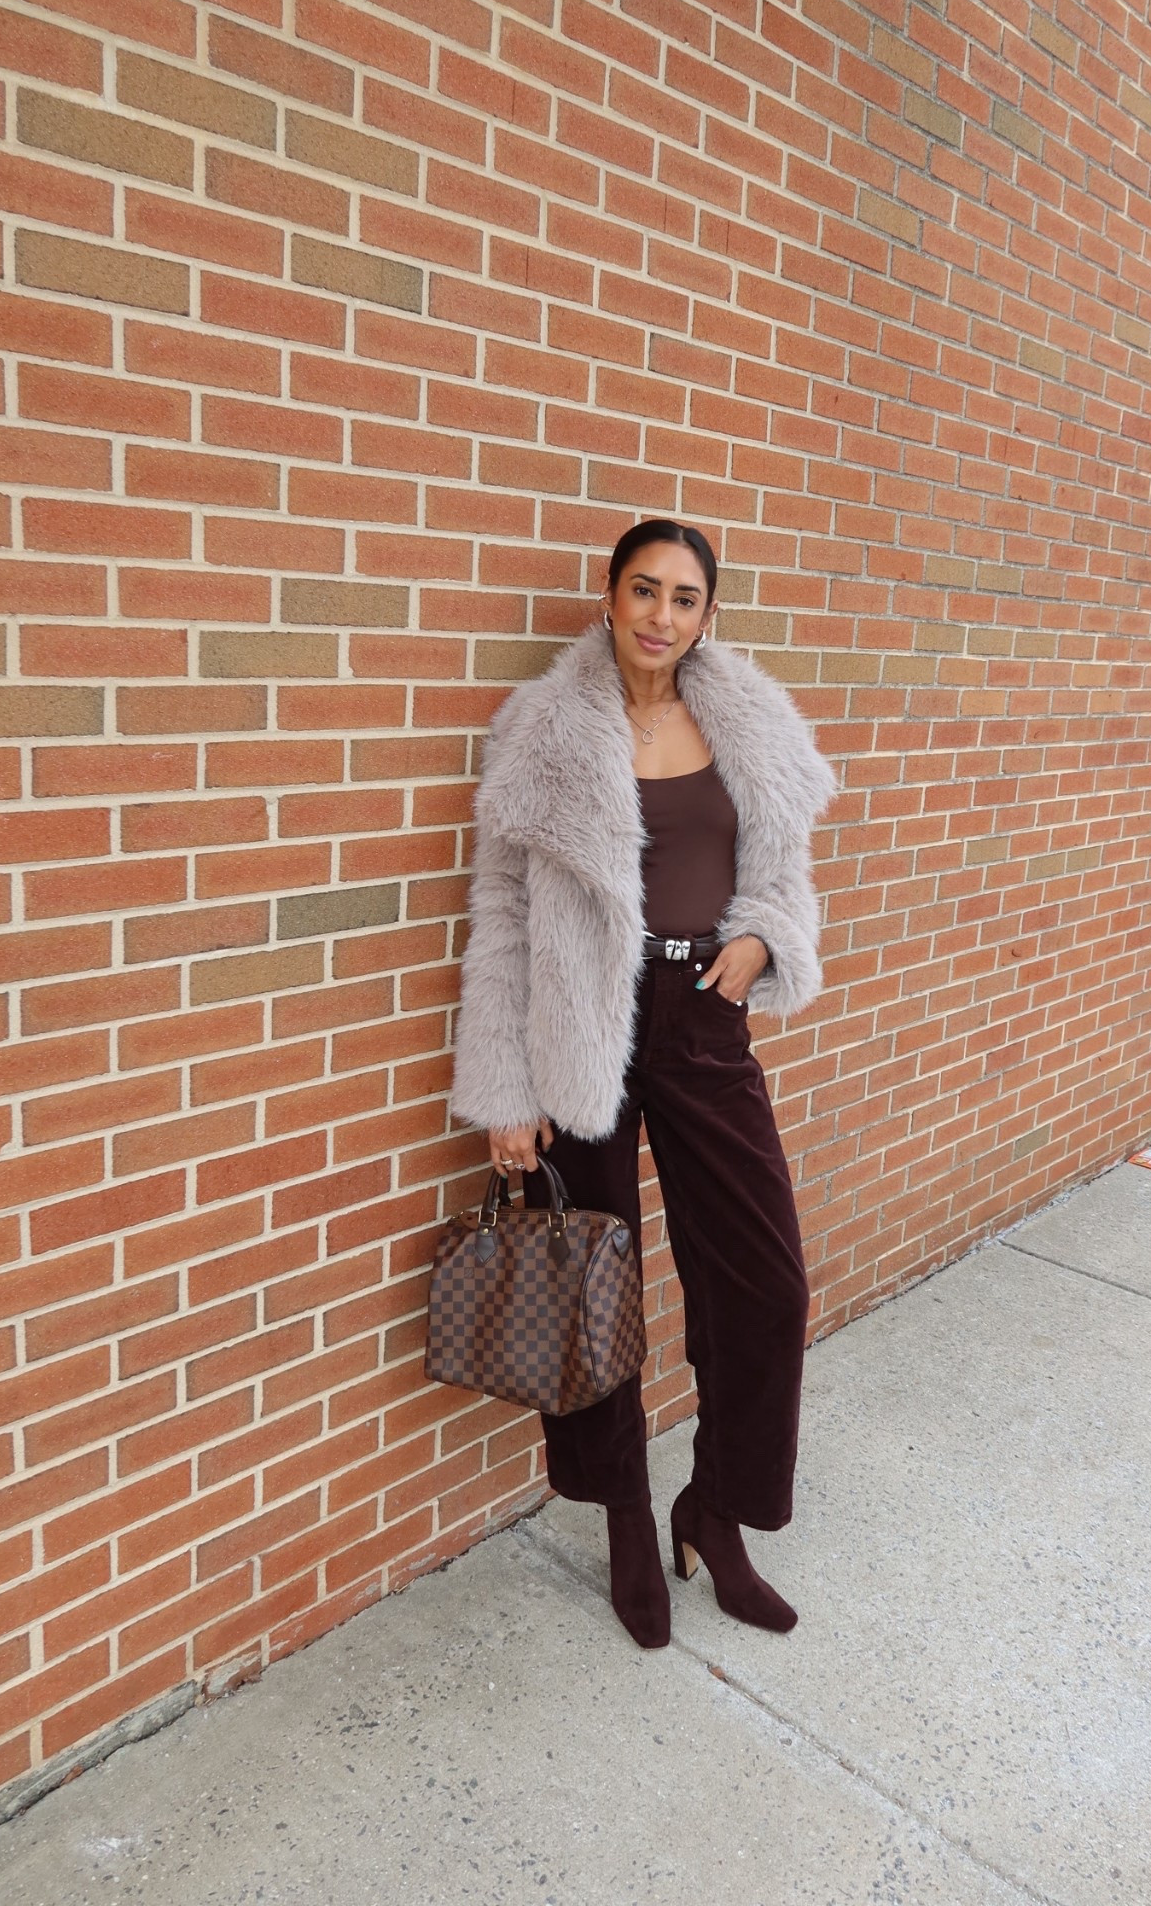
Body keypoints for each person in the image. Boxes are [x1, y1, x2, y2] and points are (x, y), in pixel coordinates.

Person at [448, 517, 837, 1648]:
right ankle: (623, 1513)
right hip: (582, 1025)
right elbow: (502, 916)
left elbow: (783, 872)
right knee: (594, 1289)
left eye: (684, 597)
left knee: (766, 1284)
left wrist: (762, 940)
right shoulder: (541, 729)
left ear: (708, 614)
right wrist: (504, 1089)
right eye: (644, 590)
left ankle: (716, 1509)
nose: (662, 615)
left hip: (704, 1015)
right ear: (609, 597)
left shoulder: (749, 721)